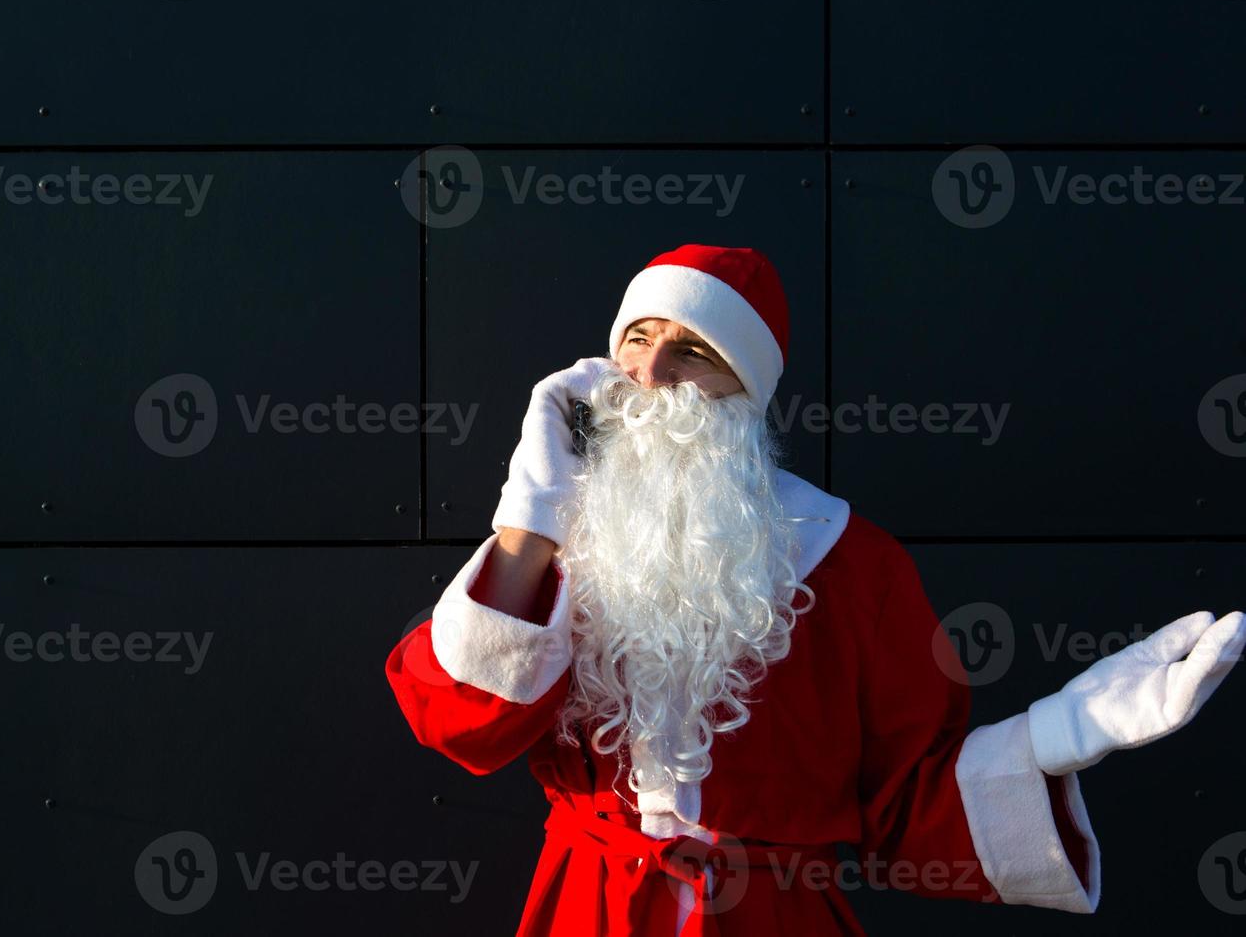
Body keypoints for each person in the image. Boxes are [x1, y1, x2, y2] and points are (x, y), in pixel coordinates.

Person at [384, 243, 1246, 936]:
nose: (650, 376)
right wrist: (529, 523)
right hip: (591, 908)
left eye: (692, 352)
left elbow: (907, 801)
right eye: (636, 341)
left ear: (745, 392)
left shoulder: (853, 562)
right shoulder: (566, 541)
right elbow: (459, 724)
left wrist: (1063, 732)